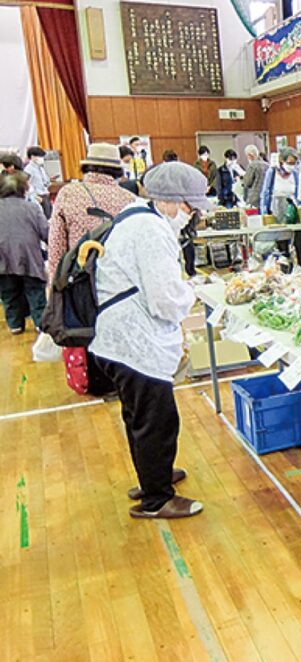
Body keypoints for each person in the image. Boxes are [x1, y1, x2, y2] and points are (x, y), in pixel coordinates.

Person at [89, 162, 208, 519]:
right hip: (134, 342)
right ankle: (157, 498)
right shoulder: (152, 230)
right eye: (189, 207)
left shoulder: (133, 215)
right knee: (157, 420)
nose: (191, 215)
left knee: (139, 416)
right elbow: (165, 299)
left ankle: (151, 474)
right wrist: (191, 293)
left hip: (117, 339)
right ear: (170, 201)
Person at [48, 143, 138, 275]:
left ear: (86, 167)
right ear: (117, 170)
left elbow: (57, 246)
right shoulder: (130, 199)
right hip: (121, 277)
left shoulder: (68, 193)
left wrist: (54, 285)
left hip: (81, 277)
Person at [0, 172, 48, 334]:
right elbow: (45, 231)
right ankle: (39, 323)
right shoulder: (32, 207)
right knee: (35, 291)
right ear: (23, 189)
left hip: (2, 258)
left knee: (9, 293)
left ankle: (15, 325)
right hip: (28, 256)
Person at [258, 147, 301, 267]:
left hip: (293, 208)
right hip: (277, 209)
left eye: (294, 163)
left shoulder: (296, 174)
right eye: (289, 163)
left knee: (300, 240)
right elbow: (265, 193)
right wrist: (264, 212)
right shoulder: (272, 172)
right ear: (282, 161)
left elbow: (299, 192)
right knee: (281, 243)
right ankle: (284, 269)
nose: (292, 166)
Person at [24, 146, 52, 218]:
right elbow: (25, 184)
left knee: (49, 216)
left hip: (45, 195)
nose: (42, 159)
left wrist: (49, 180)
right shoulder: (28, 169)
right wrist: (33, 195)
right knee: (43, 217)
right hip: (37, 197)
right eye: (40, 156)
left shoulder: (41, 168)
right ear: (33, 157)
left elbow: (45, 181)